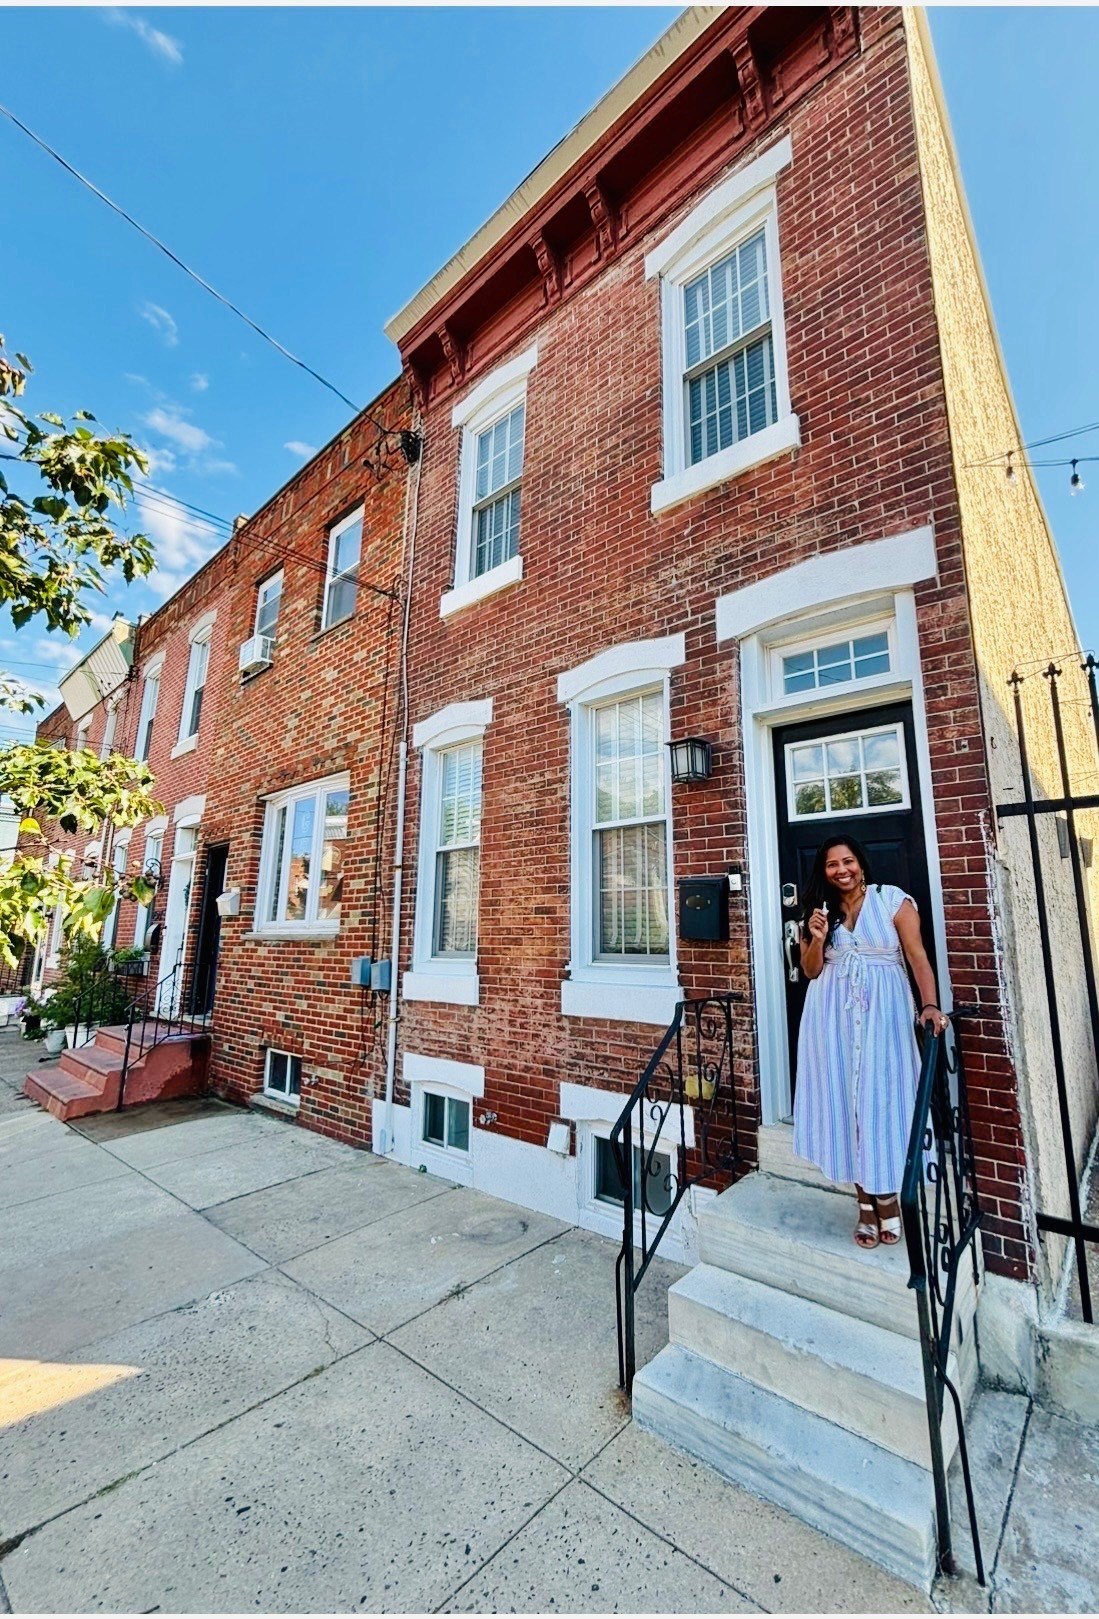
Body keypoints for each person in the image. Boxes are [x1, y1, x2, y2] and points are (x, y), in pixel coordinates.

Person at [792, 834, 949, 1249]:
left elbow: (917, 957)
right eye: (831, 864)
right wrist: (818, 937)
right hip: (830, 1020)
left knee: (882, 1101)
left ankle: (888, 1196)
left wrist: (930, 1005)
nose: (841, 870)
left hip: (885, 1016)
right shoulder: (817, 913)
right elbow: (809, 971)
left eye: (848, 861)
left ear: (861, 863)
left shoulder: (893, 901)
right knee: (845, 1101)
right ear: (823, 871)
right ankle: (864, 1200)